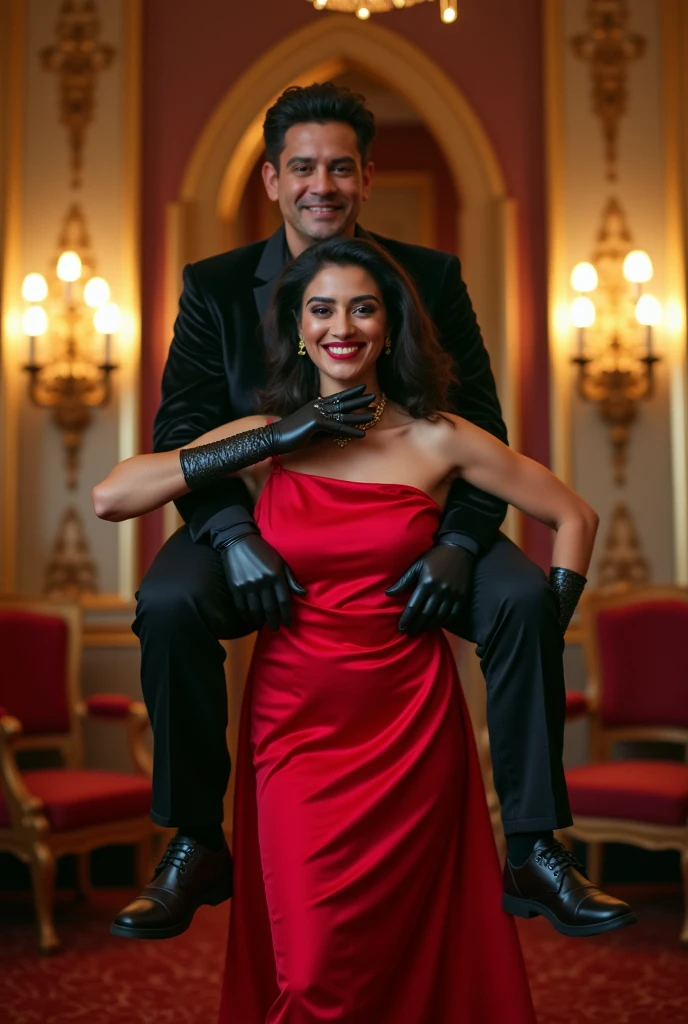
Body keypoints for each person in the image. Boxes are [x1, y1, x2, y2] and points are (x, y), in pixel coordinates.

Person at [109, 82, 632, 943]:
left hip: (415, 508)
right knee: (166, 603)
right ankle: (196, 838)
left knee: (523, 597)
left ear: (367, 177)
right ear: (272, 179)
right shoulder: (213, 287)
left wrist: (462, 543)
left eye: (341, 168)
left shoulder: (428, 278)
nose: (324, 184)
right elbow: (179, 435)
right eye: (304, 167)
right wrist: (235, 538)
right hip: (253, 515)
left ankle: (537, 845)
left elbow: (483, 428)